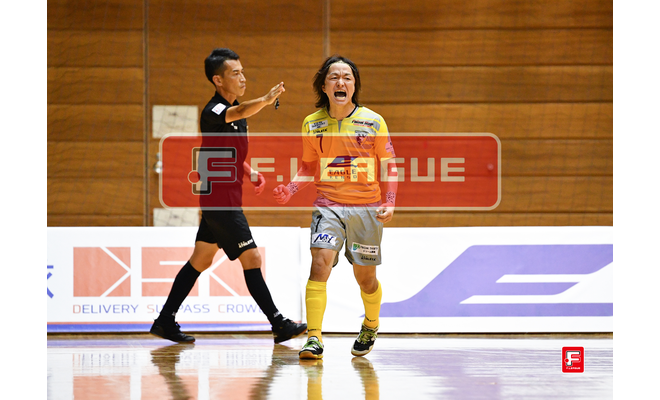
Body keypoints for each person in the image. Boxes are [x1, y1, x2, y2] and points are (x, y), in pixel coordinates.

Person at [150, 48, 307, 343]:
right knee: (252, 257)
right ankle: (278, 324)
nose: (243, 78)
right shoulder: (214, 111)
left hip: (222, 198)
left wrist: (249, 172)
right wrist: (266, 99)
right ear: (218, 80)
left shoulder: (236, 114)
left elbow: (225, 150)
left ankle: (164, 321)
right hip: (221, 201)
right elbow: (241, 111)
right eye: (235, 73)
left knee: (201, 259)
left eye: (242, 72)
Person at [273, 55, 398, 359]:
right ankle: (314, 338)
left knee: (366, 279)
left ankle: (371, 324)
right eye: (334, 77)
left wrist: (390, 201)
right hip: (327, 206)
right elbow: (308, 167)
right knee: (320, 264)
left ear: (354, 86)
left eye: (347, 77)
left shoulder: (373, 121)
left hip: (366, 208)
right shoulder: (312, 123)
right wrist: (290, 188)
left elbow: (390, 165)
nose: (341, 82)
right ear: (324, 86)